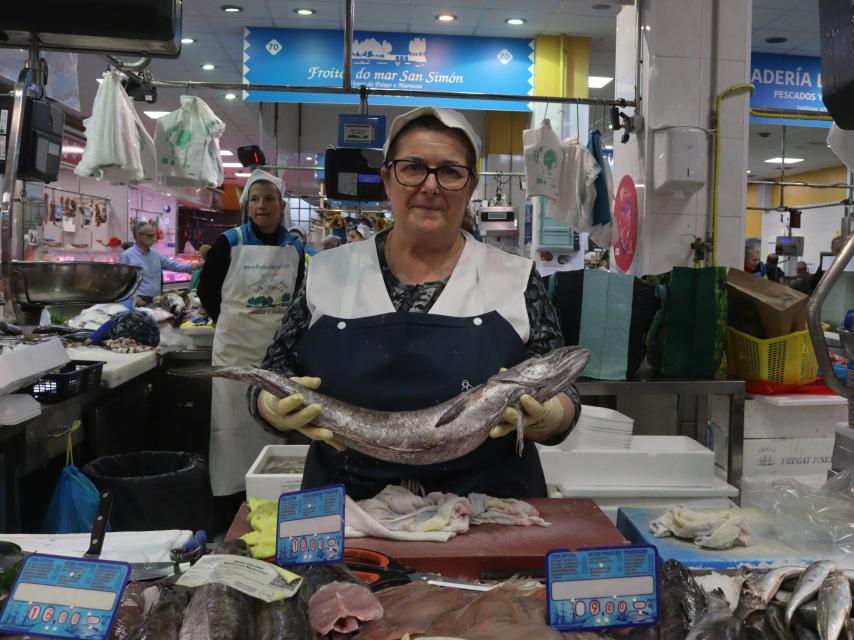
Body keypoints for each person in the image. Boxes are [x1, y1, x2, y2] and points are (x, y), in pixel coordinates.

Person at [247, 106, 580, 500]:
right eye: (413, 167)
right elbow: (272, 372)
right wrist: (271, 406)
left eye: (451, 172)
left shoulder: (516, 277)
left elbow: (563, 387)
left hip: (491, 506)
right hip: (347, 508)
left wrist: (553, 415)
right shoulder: (326, 271)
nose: (430, 186)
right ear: (387, 177)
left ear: (471, 186)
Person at [197, 169, 305, 524]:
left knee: (277, 426)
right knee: (231, 432)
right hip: (236, 353)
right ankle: (230, 510)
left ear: (281, 205)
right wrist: (229, 321)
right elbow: (206, 291)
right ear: (246, 206)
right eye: (256, 199)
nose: (263, 205)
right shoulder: (230, 242)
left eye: (270, 199)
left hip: (278, 355)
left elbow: (301, 299)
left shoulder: (295, 246)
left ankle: (276, 506)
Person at [121, 221, 193, 306]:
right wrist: (134, 297)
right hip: (139, 300)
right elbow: (123, 282)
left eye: (154, 235)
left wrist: (194, 266)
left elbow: (173, 265)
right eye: (150, 235)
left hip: (156, 298)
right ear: (138, 236)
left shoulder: (156, 254)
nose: (154, 238)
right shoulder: (127, 255)